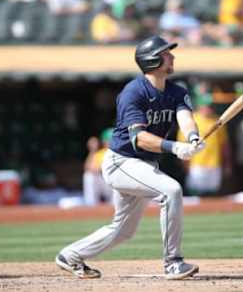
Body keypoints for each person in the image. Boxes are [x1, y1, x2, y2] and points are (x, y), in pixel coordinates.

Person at [56, 36, 205, 280]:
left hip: (143, 165)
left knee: (124, 230)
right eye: (167, 53)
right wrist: (175, 148)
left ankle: (70, 255)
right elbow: (139, 139)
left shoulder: (176, 91)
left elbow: (185, 117)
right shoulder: (133, 92)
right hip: (121, 163)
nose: (172, 56)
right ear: (153, 60)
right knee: (171, 191)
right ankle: (173, 262)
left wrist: (193, 138)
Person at [177, 83, 232, 195]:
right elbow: (182, 145)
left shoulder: (218, 121)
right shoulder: (190, 120)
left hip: (214, 165)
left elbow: (224, 145)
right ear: (199, 104)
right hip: (196, 166)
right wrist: (186, 166)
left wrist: (227, 164)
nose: (208, 108)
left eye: (210, 105)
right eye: (205, 105)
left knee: (213, 195)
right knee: (196, 195)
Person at [83, 128, 113, 206]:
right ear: (104, 142)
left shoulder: (121, 152)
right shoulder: (100, 153)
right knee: (88, 176)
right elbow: (88, 168)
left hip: (114, 185)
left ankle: (116, 205)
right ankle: (91, 205)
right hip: (103, 182)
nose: (111, 142)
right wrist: (93, 150)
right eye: (109, 140)